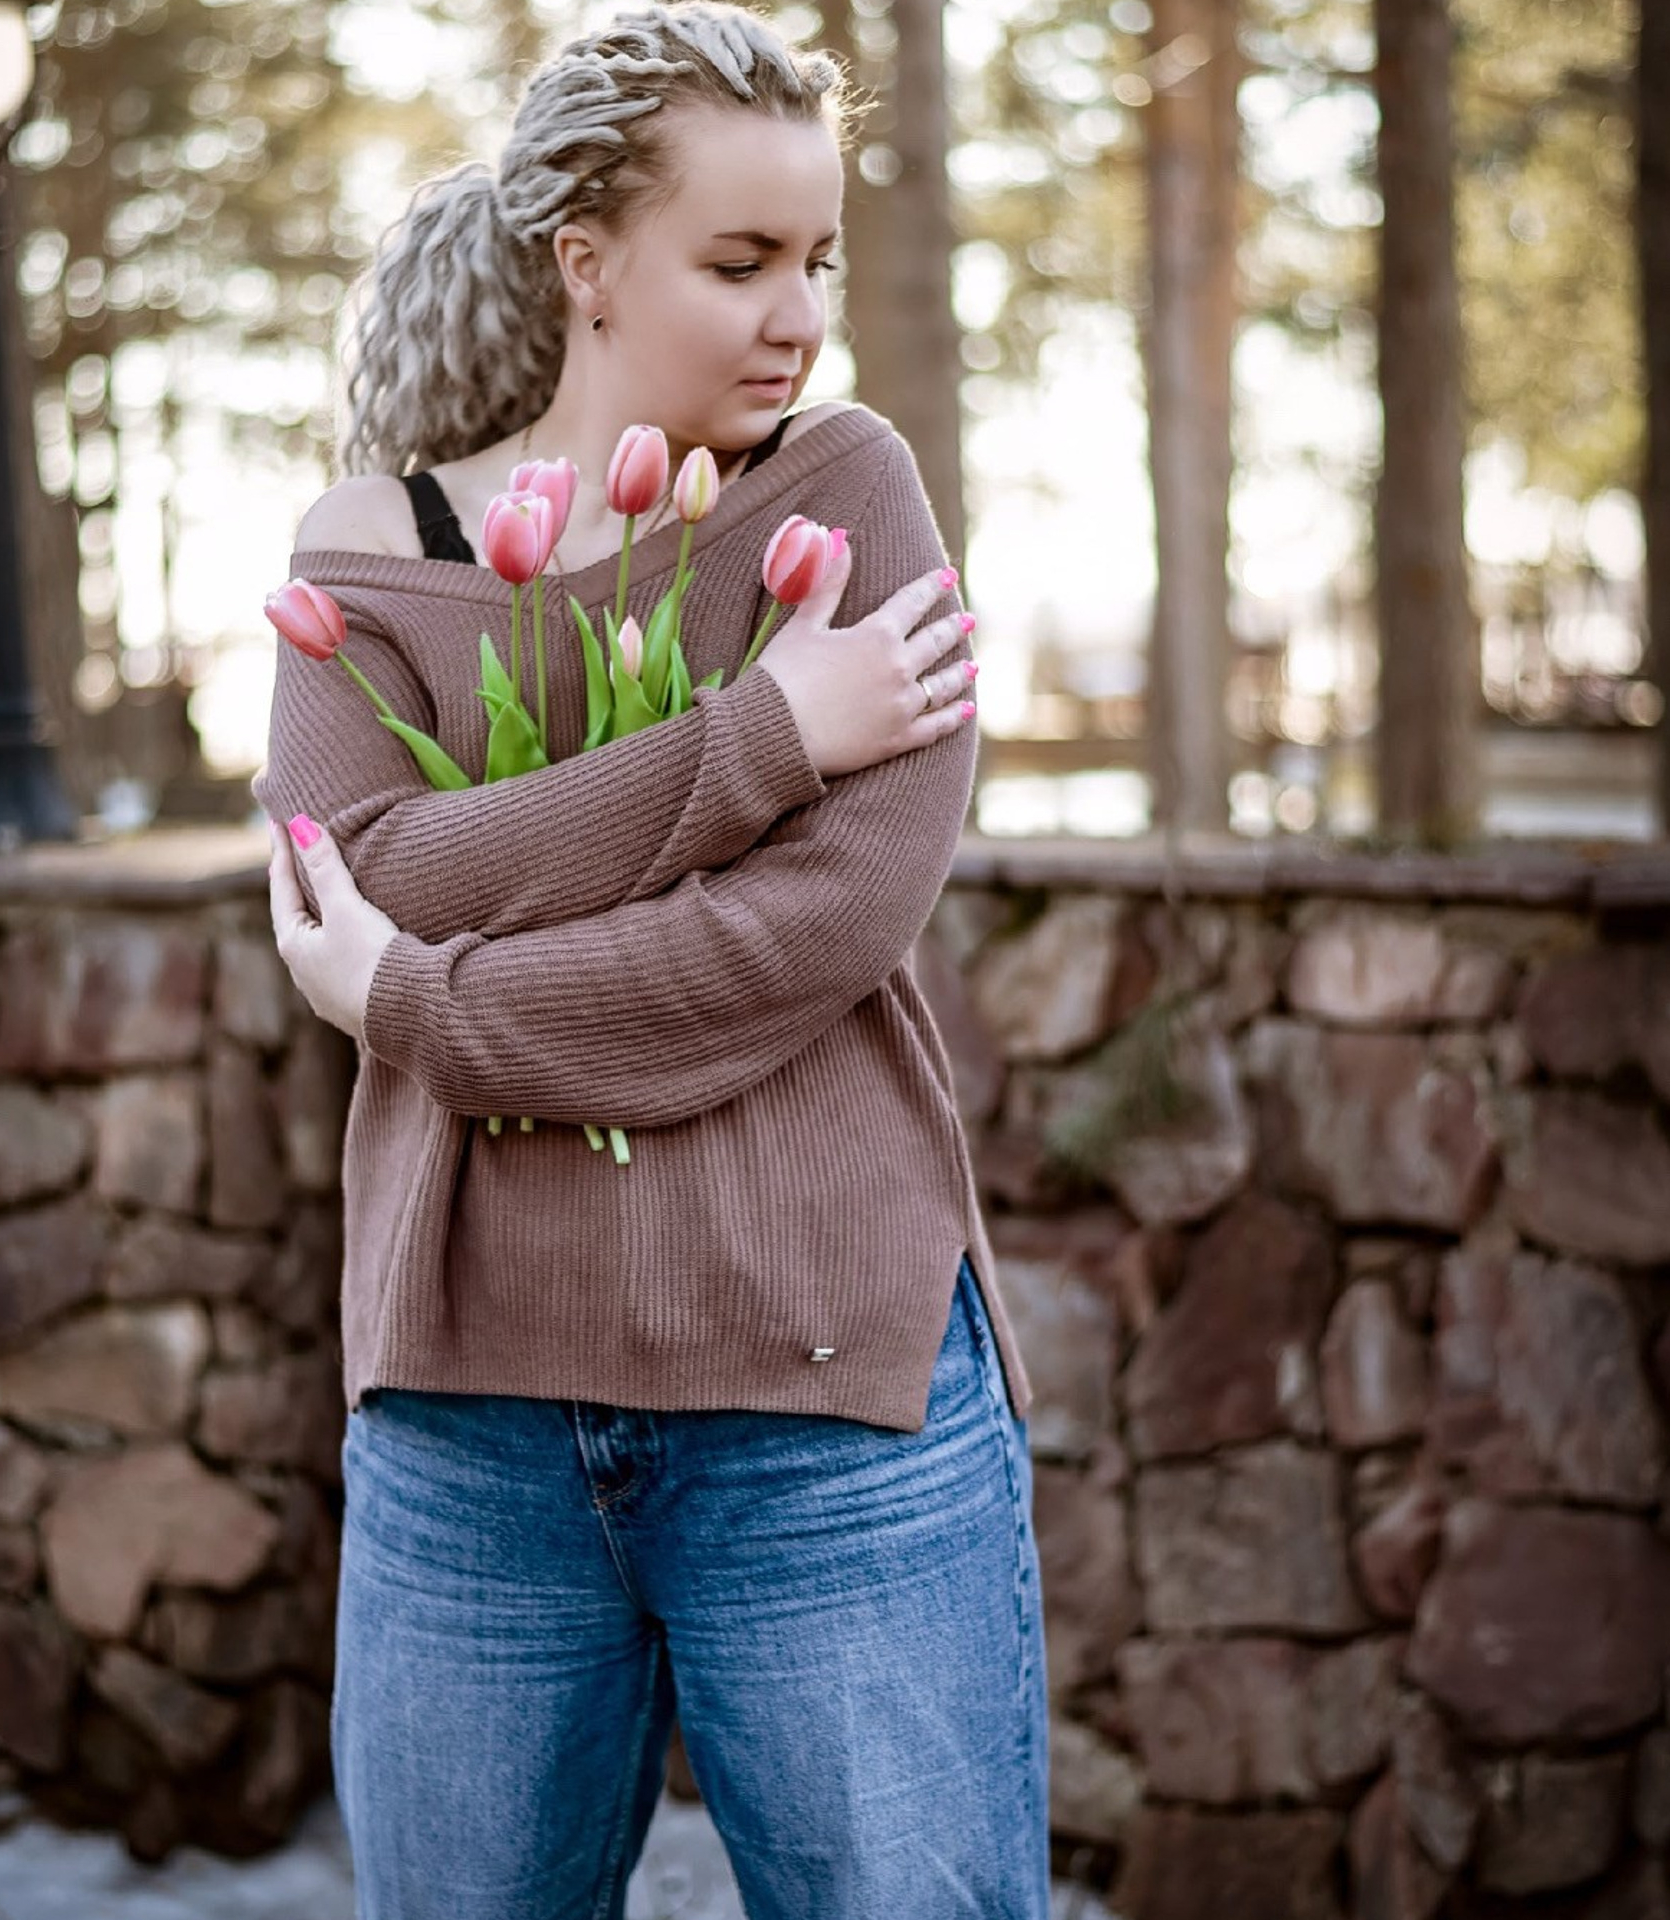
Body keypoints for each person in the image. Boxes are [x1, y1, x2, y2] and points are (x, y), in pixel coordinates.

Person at [255, 4, 1051, 1915]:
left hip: (828, 1394)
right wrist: (759, 739)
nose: (799, 316)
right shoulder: (372, 544)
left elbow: (814, 934)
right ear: (586, 263)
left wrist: (422, 1011)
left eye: (818, 262)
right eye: (740, 261)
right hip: (470, 1427)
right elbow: (355, 869)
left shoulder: (849, 493)